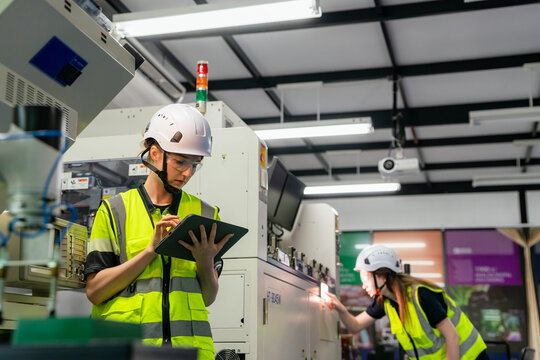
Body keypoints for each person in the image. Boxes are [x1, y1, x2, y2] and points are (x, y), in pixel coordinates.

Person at [84, 104, 232, 360]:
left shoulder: (205, 215)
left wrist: (205, 261)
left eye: (194, 164)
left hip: (190, 353)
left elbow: (208, 298)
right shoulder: (114, 210)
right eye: (180, 161)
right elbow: (95, 292)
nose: (187, 172)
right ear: (154, 153)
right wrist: (151, 251)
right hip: (129, 351)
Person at [326, 245, 489, 360]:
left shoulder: (422, 296)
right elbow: (355, 325)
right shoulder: (385, 302)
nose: (363, 286)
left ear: (382, 276)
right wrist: (340, 308)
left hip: (471, 356)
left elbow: (452, 336)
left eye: (366, 279)